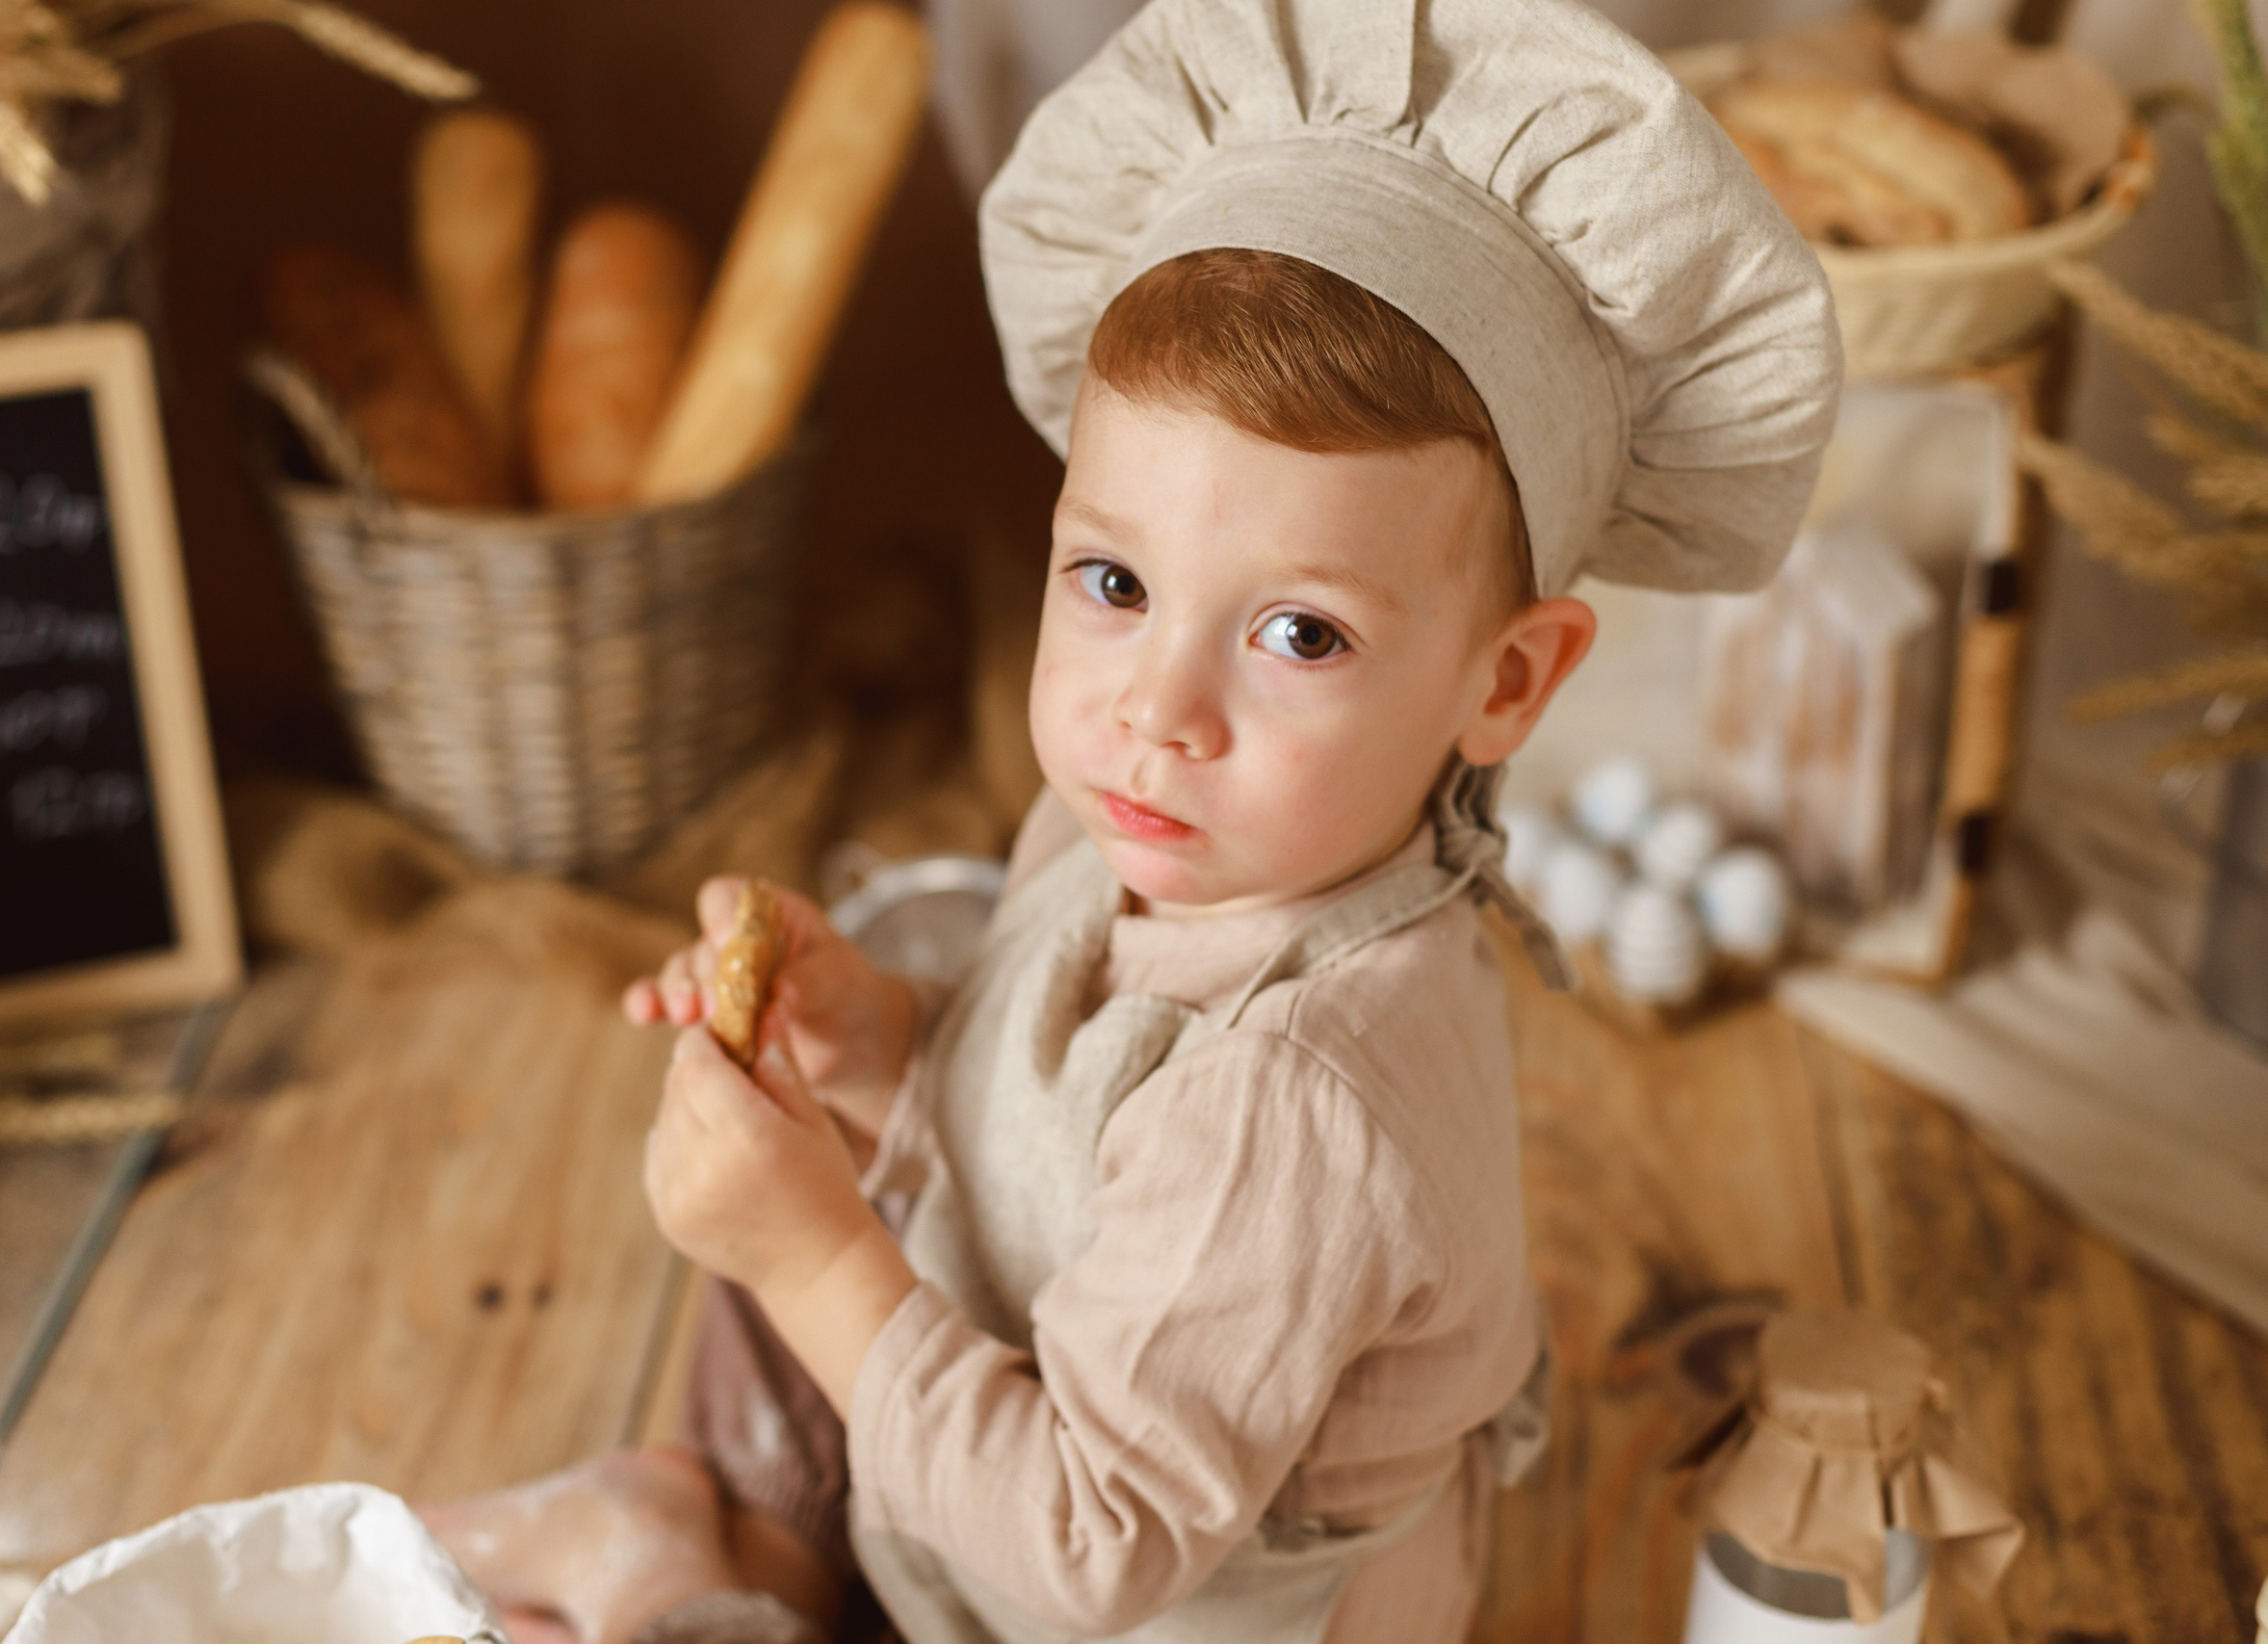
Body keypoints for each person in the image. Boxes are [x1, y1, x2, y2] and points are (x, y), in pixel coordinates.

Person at [420, 1, 1841, 1640]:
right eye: (1113, 582)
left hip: (1133, 1587)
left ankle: (696, 1564)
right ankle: (714, 1517)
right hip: (1011, 1461)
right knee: (801, 1261)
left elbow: (1098, 1551)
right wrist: (881, 1041)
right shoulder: (1163, 817)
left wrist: (812, 1254)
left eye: (1299, 633)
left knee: (804, 1263)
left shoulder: (1297, 1104)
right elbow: (1069, 1152)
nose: (1155, 706)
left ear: (1507, 683)